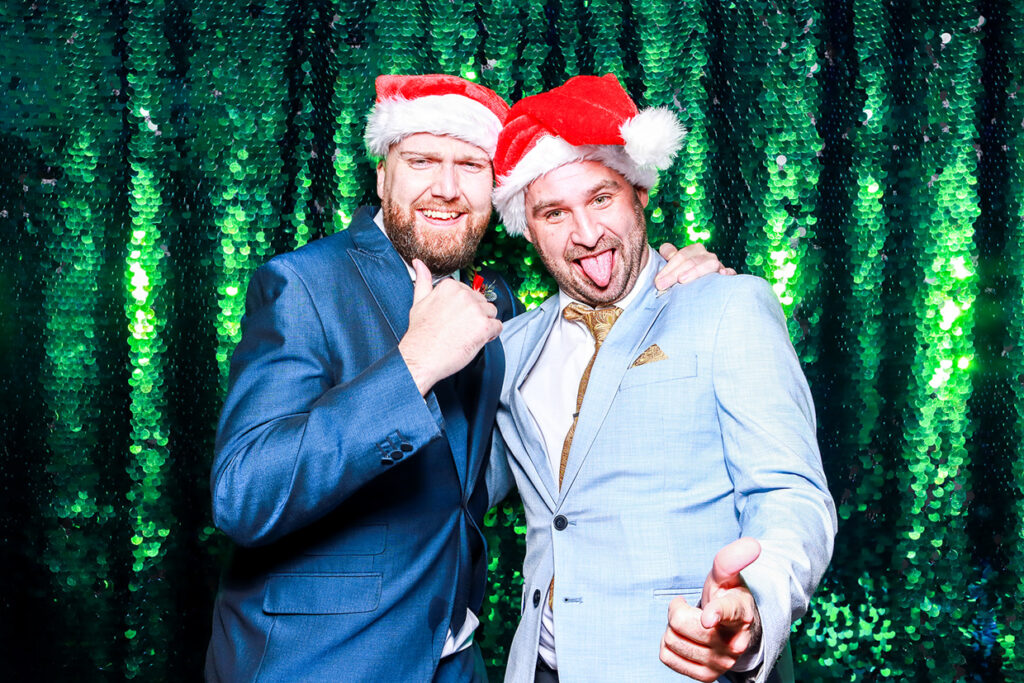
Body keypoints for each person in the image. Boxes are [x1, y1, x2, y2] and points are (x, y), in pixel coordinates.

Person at [205, 74, 728, 682]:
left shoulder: (494, 305)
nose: (447, 189)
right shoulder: (305, 284)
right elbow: (243, 495)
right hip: (321, 662)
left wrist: (670, 289)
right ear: (382, 175)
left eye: (471, 166)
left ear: (498, 191)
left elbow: (517, 456)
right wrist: (415, 364)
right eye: (422, 160)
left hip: (456, 664)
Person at [488, 74, 837, 683]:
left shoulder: (726, 306)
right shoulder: (511, 348)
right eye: (554, 212)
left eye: (602, 198)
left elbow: (791, 495)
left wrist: (754, 601)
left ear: (639, 195)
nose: (587, 233)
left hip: (678, 669)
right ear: (527, 226)